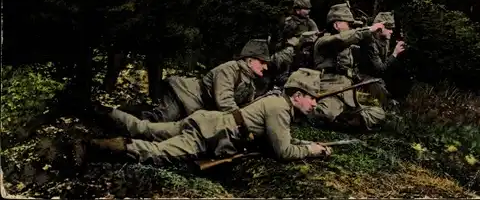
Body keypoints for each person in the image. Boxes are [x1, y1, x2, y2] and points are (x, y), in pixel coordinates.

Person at [80, 68, 333, 166]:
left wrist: (306, 145)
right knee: (156, 152)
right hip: (208, 135)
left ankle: (104, 112)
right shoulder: (279, 109)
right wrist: (311, 150)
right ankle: (92, 146)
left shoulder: (277, 102)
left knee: (146, 127)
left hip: (206, 121)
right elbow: (284, 152)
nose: (314, 103)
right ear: (298, 95)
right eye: (312, 97)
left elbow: (279, 141)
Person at [133, 37, 304, 123]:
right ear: (250, 60)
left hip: (199, 107)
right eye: (262, 62)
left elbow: (247, 107)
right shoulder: (229, 69)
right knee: (161, 120)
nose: (265, 67)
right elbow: (224, 102)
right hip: (184, 95)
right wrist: (240, 123)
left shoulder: (250, 82)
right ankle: (121, 121)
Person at [310, 2, 386, 131]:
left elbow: (370, 60)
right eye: (349, 24)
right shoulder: (324, 42)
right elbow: (341, 40)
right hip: (330, 91)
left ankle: (343, 122)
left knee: (378, 114)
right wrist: (368, 30)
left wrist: (370, 39)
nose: (351, 27)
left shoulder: (349, 47)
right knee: (325, 113)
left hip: (348, 93)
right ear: (336, 25)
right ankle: (335, 121)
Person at [357, 11, 406, 107]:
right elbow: (380, 70)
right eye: (388, 28)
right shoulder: (370, 43)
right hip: (366, 76)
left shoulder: (384, 38)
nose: (391, 31)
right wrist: (395, 53)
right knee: (380, 94)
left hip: (378, 72)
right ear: (379, 29)